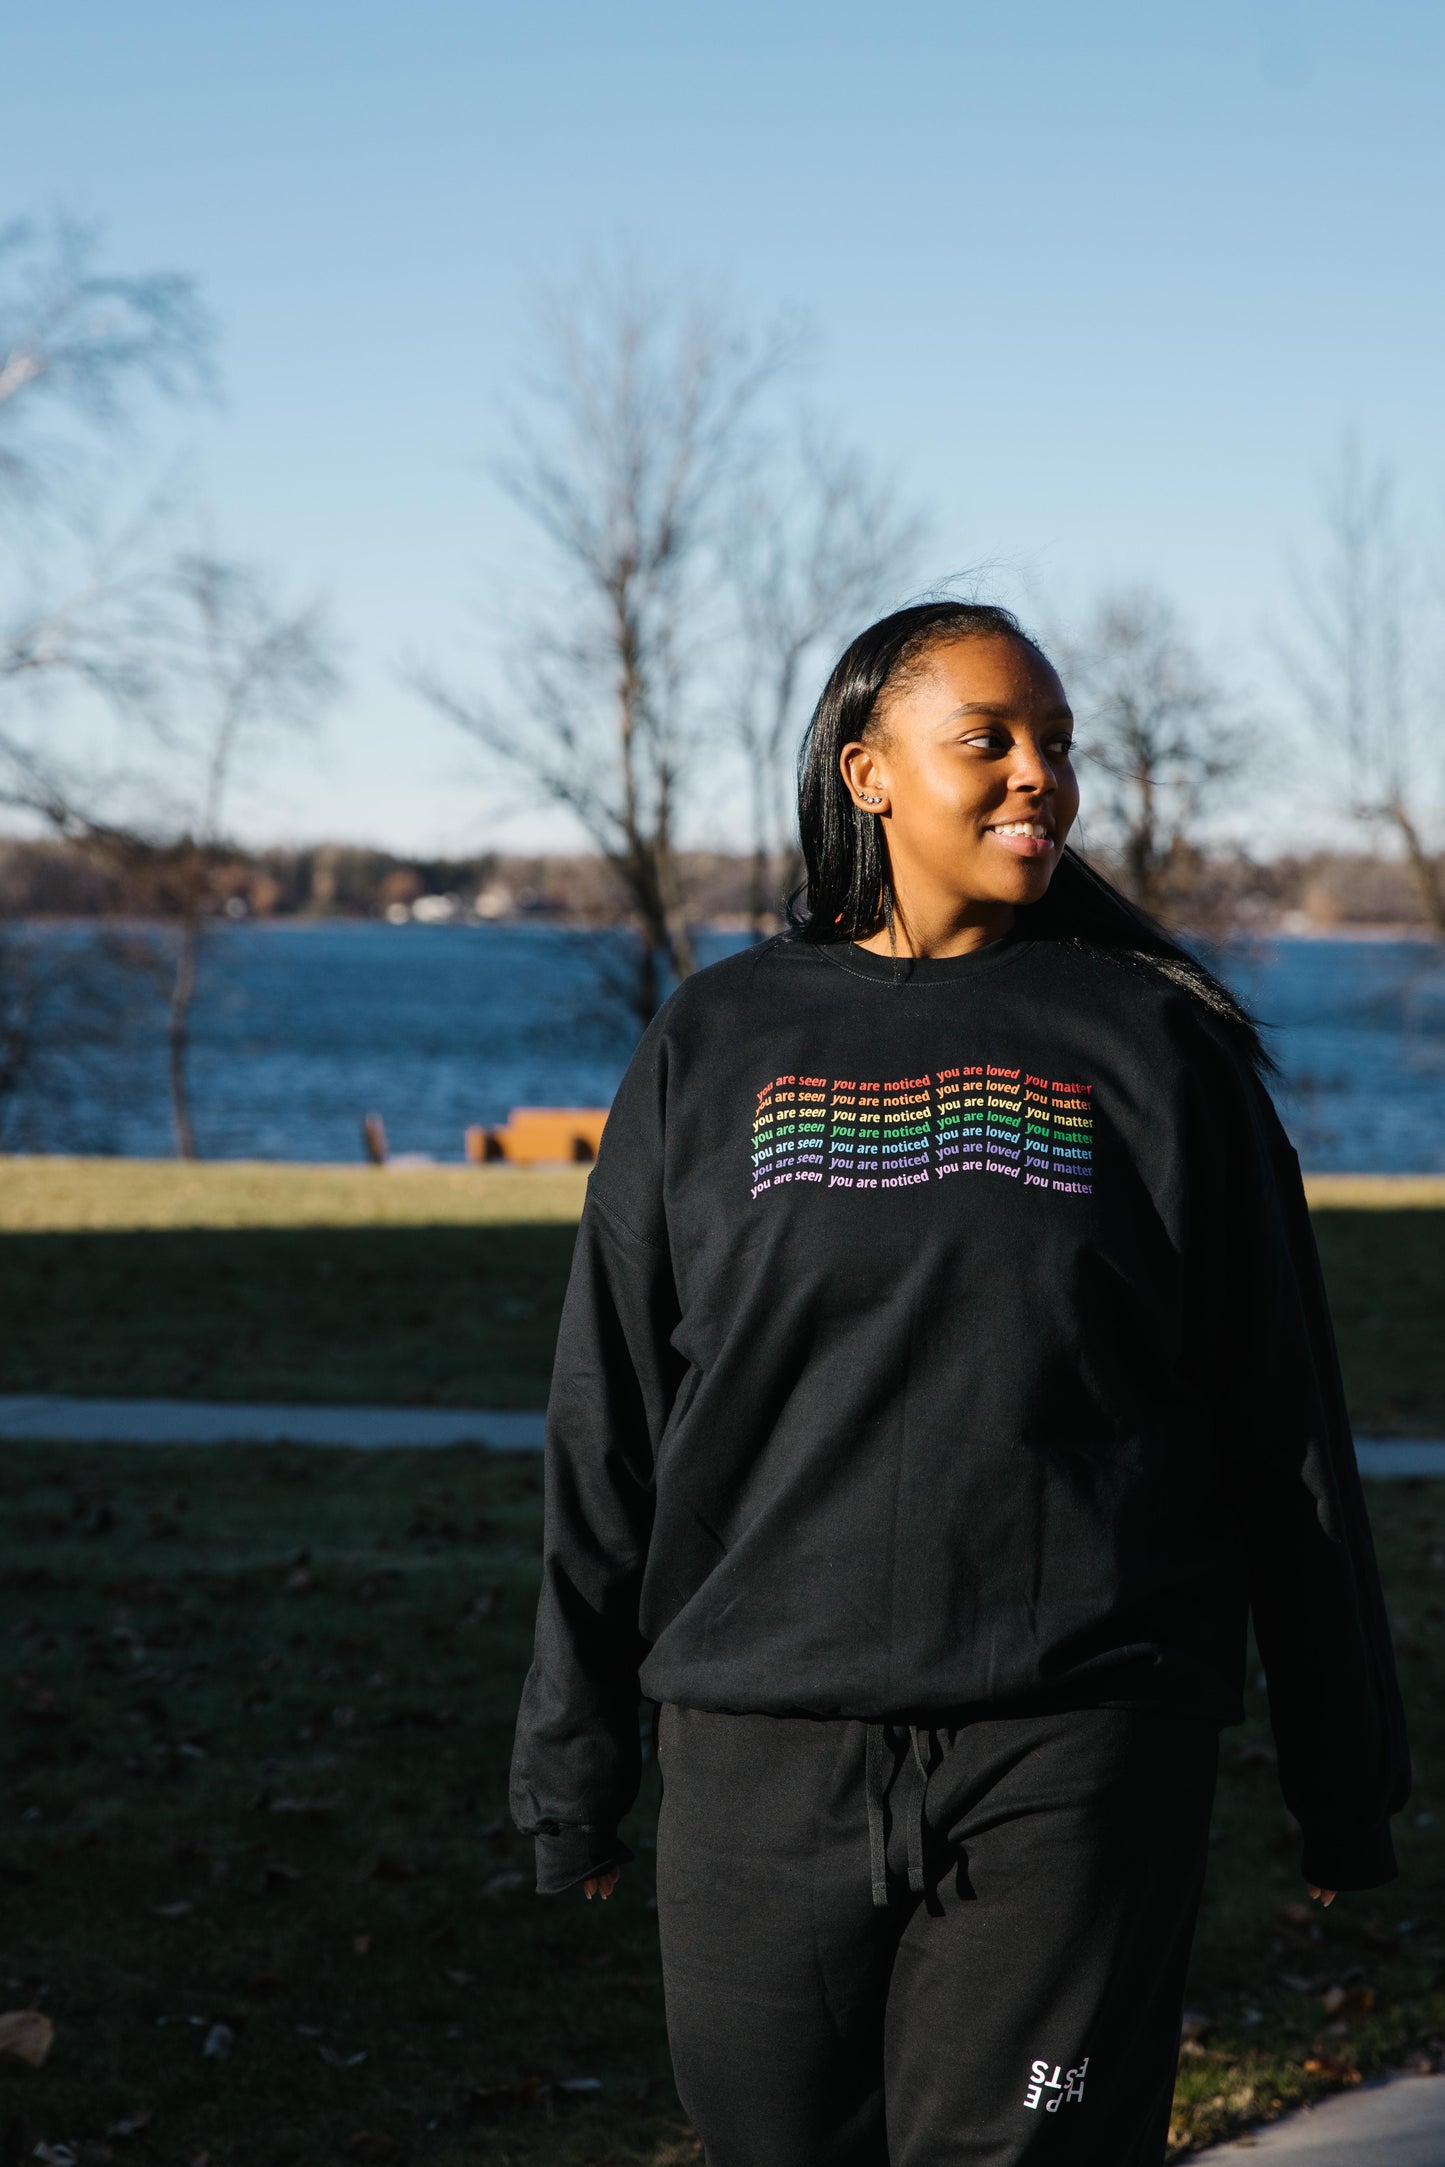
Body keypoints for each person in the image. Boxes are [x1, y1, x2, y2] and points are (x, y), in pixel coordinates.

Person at [509, 600, 1409, 2165]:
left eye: (1054, 746)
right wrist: (571, 1767)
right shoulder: (713, 1041)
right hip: (756, 1752)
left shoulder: (1153, 1049)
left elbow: (1281, 1428)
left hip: (1071, 1753)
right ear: (865, 770)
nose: (1035, 778)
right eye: (987, 739)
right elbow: (609, 1421)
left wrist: (1342, 1775)